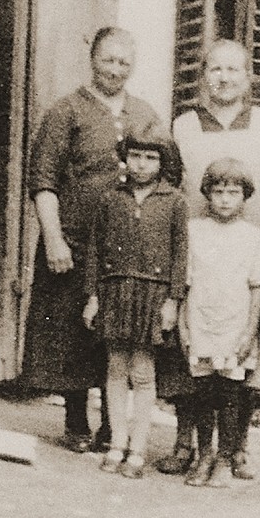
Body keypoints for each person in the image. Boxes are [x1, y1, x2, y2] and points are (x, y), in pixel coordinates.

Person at [157, 39, 260, 479]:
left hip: (247, 256)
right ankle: (186, 443)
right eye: (215, 69)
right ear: (203, 75)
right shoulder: (182, 125)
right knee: (191, 355)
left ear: (247, 77)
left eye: (233, 70)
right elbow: (167, 188)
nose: (224, 78)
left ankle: (237, 448)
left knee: (244, 357)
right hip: (197, 256)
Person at [21, 28, 163, 453]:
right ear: (93, 60)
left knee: (116, 331)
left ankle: (111, 424)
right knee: (69, 327)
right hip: (75, 241)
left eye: (124, 62)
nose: (115, 70)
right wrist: (54, 238)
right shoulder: (66, 111)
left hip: (125, 249)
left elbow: (165, 173)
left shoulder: (144, 113)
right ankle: (76, 418)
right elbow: (43, 181)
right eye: (108, 60)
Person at [82, 137, 188, 476]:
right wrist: (93, 296)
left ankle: (138, 450)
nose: (141, 164)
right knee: (115, 369)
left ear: (162, 162)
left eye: (150, 158)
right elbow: (95, 250)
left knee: (143, 373)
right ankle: (117, 444)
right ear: (125, 158)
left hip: (152, 296)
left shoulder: (174, 201)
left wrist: (172, 301)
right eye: (135, 156)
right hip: (115, 290)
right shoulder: (111, 198)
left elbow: (180, 256)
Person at [177, 157, 260, 487]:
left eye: (233, 192)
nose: (225, 199)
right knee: (203, 391)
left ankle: (225, 458)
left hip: (234, 324)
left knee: (230, 392)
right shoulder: (193, 231)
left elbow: (257, 289)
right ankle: (203, 455)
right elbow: (185, 283)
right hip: (201, 320)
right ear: (207, 194)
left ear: (245, 196)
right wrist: (183, 325)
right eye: (218, 191)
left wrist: (249, 332)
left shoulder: (254, 237)